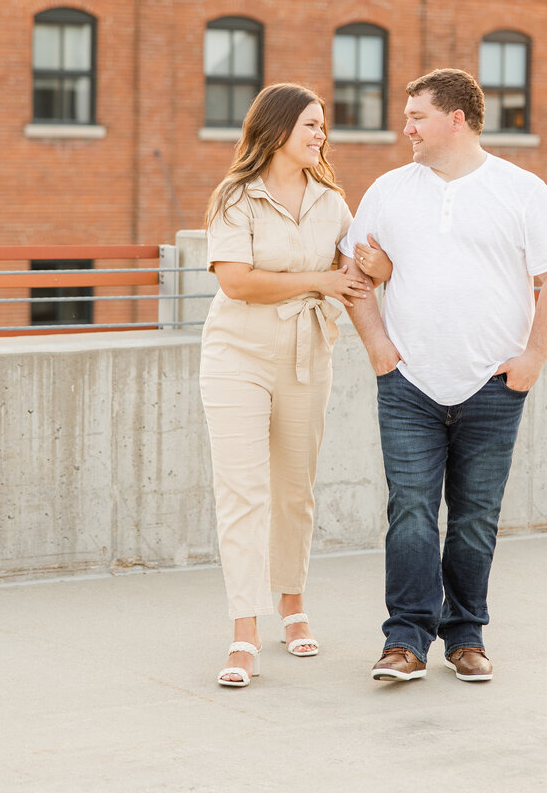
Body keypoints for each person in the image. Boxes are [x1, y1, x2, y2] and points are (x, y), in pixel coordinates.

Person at [340, 68, 547, 683]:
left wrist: (531, 360)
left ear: (457, 119)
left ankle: (466, 635)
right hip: (409, 384)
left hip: (493, 387)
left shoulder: (522, 190)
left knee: (476, 517)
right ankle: (406, 641)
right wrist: (377, 346)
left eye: (417, 115)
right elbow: (353, 273)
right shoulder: (389, 189)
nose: (406, 126)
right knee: (411, 511)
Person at [200, 83, 369, 688]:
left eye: (323, 126)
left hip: (307, 356)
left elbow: (354, 273)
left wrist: (367, 267)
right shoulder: (234, 198)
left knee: (295, 490)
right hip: (236, 355)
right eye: (309, 126)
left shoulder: (332, 202)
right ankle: (243, 632)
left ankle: (291, 604)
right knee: (242, 492)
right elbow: (237, 283)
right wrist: (318, 280)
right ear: (276, 131)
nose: (320, 135)